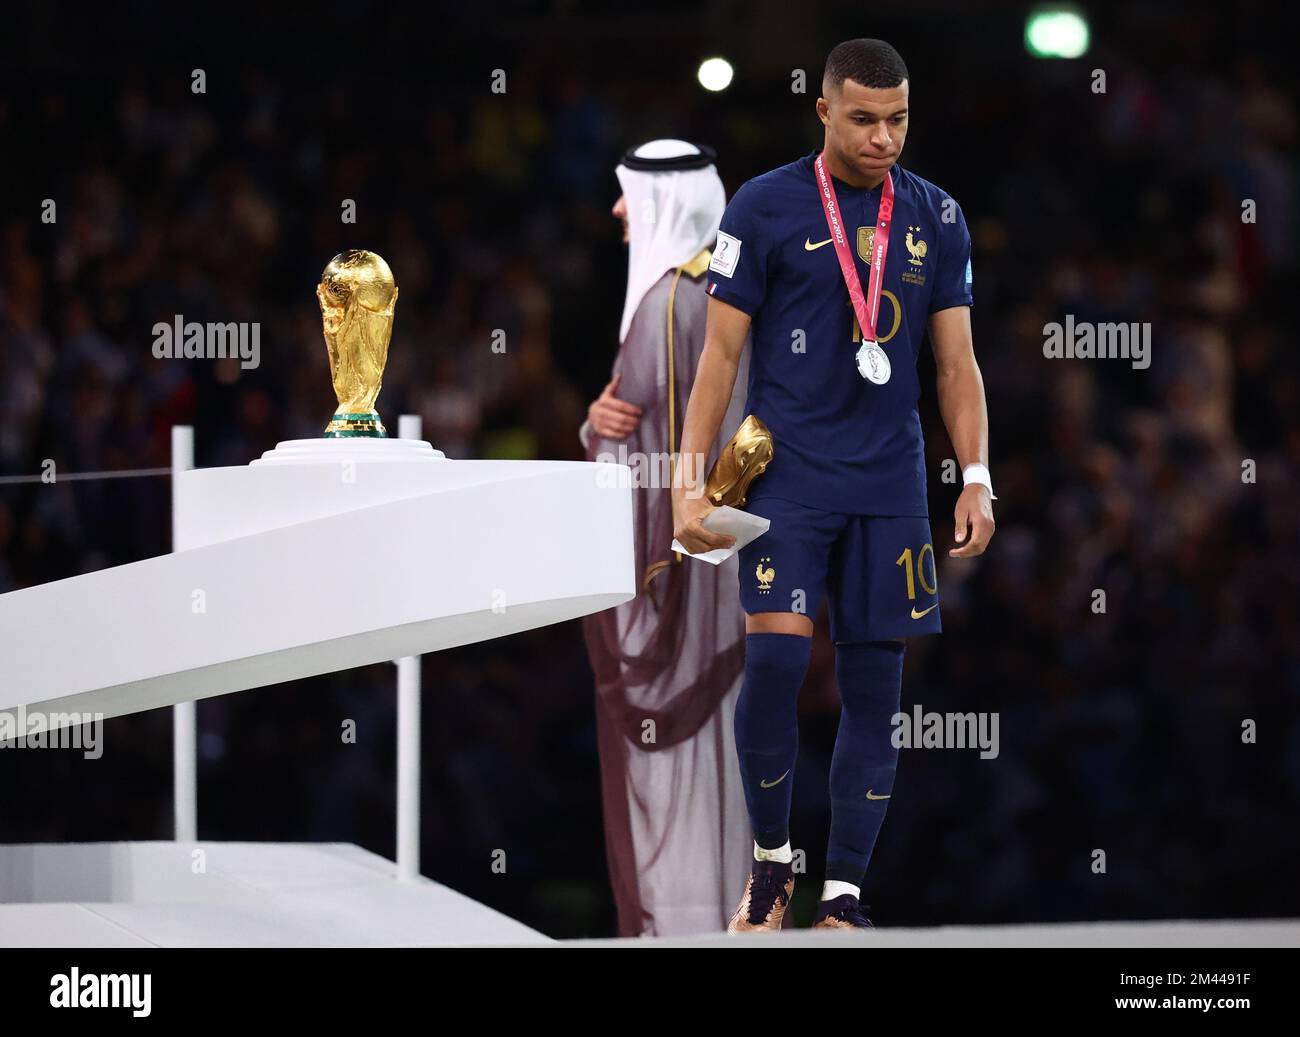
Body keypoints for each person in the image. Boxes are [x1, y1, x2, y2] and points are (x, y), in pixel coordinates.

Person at [671, 39, 996, 932]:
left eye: (896, 120)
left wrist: (975, 479)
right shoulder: (765, 205)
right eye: (863, 119)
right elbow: (719, 358)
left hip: (890, 484)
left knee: (874, 687)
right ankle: (774, 862)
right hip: (789, 475)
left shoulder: (938, 215)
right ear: (823, 111)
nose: (883, 137)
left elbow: (957, 367)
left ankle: (845, 890)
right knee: (773, 663)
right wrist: (685, 487)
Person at [581, 139, 752, 936]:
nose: (618, 211)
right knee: (735, 765)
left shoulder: (665, 304)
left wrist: (593, 433)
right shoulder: (741, 289)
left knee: (676, 768)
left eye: (627, 197)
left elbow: (647, 452)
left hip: (685, 575)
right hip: (742, 571)